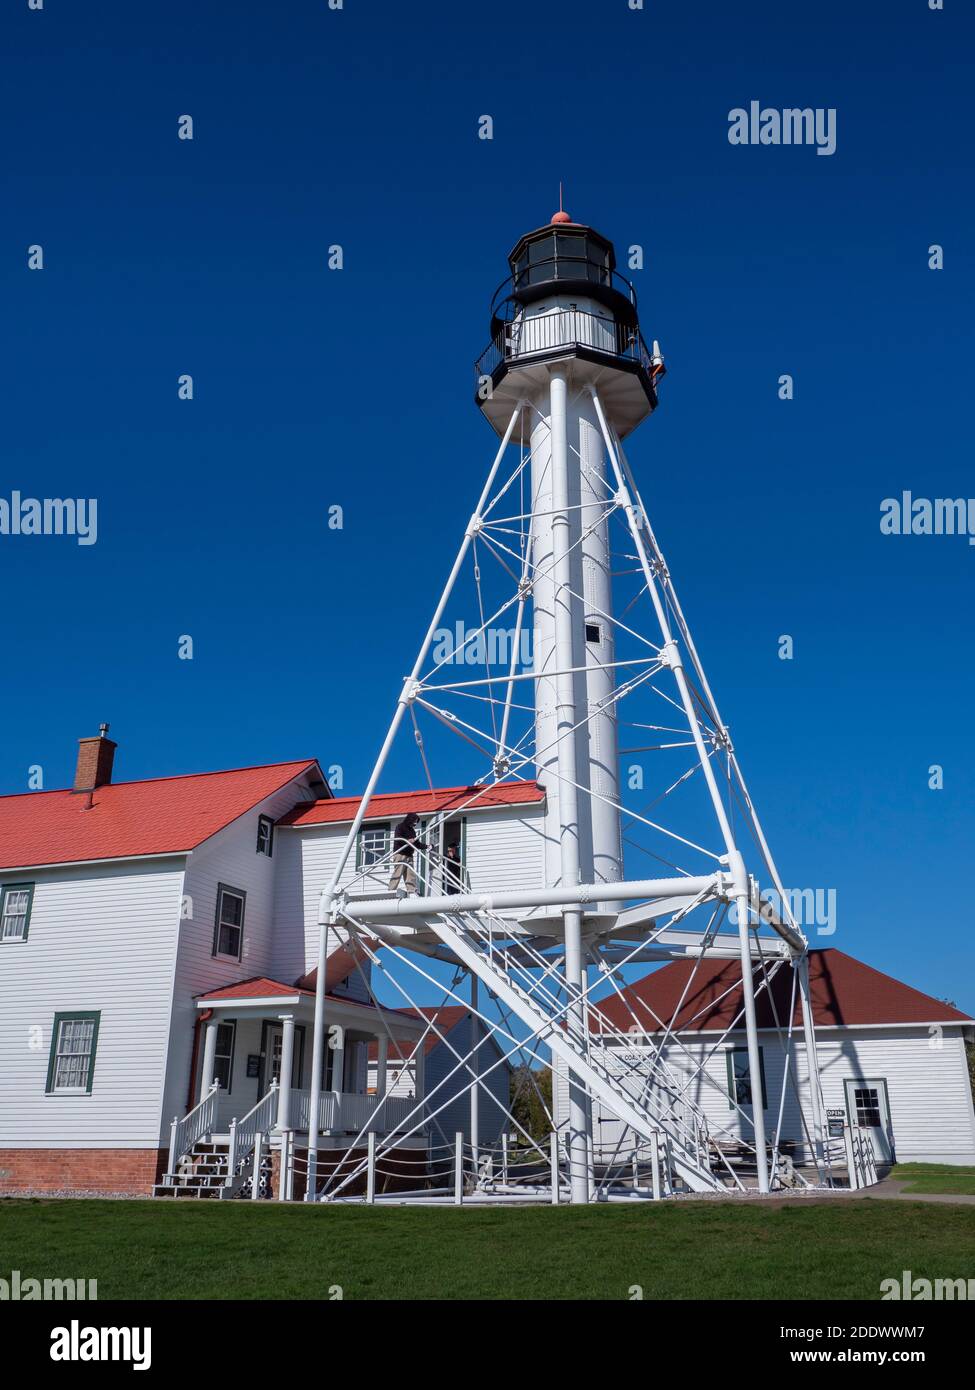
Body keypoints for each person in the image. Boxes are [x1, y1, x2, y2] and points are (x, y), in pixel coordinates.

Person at [388, 811, 426, 894]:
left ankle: (411, 891)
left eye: (416, 821)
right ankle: (391, 891)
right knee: (398, 873)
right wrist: (407, 841)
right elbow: (398, 838)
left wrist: (427, 846)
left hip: (409, 855)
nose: (415, 823)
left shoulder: (412, 831)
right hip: (400, 854)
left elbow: (417, 844)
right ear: (410, 819)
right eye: (414, 821)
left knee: (410, 874)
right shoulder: (400, 827)